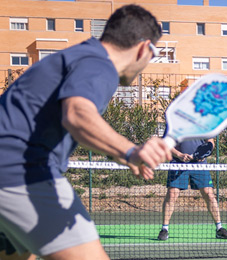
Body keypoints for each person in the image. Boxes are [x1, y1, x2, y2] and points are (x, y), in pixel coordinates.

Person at [0, 5, 172, 260]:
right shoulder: (99, 65)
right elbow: (77, 115)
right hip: (19, 170)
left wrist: (123, 156)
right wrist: (130, 150)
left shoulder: (77, 58)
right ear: (144, 48)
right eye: (155, 53)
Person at [158, 138, 227, 241]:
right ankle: (164, 229)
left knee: (209, 194)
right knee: (172, 194)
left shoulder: (202, 124)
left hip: (199, 165)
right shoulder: (175, 123)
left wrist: (202, 154)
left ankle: (219, 229)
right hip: (178, 162)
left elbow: (210, 142)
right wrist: (179, 154)